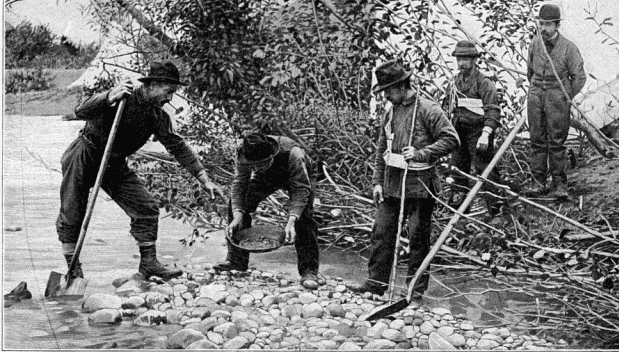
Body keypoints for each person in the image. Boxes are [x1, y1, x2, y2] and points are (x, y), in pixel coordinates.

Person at [57, 61, 224, 280]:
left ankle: (148, 263)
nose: (170, 99)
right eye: (168, 91)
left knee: (146, 207)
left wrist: (204, 178)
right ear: (152, 84)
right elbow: (81, 111)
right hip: (85, 154)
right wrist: (108, 97)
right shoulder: (120, 98)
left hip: (114, 164)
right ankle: (73, 269)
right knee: (72, 213)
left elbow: (178, 146)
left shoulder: (157, 117)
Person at [346, 60, 459, 298]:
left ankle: (414, 290)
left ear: (402, 85)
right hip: (392, 183)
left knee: (418, 239)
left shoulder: (428, 109)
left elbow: (451, 139)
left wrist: (421, 153)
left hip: (420, 185)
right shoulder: (391, 111)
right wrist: (377, 182)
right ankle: (376, 283)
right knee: (381, 232)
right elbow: (381, 149)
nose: (385, 95)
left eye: (388, 90)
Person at [219, 133, 321, 290]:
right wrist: (237, 215)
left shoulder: (294, 153)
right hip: (266, 177)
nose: (256, 168)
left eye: (261, 163)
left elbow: (301, 189)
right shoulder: (243, 153)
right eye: (253, 165)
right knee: (237, 204)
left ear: (271, 155)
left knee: (305, 217)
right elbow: (240, 184)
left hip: (301, 174)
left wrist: (291, 221)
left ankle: (309, 271)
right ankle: (236, 261)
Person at [524, 4, 586, 199]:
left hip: (557, 98)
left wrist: (565, 96)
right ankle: (538, 183)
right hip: (535, 97)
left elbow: (579, 77)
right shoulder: (535, 43)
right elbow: (529, 72)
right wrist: (536, 90)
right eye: (541, 24)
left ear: (557, 25)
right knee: (536, 140)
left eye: (548, 24)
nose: (543, 28)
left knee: (557, 141)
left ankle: (559, 184)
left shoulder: (569, 48)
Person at [445, 40, 502, 215]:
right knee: (457, 168)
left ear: (474, 60)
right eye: (459, 59)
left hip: (478, 132)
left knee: (484, 168)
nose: (462, 63)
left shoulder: (484, 83)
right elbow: (448, 107)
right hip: (459, 131)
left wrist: (486, 134)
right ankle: (459, 211)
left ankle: (495, 208)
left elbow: (493, 110)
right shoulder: (454, 83)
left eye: (466, 59)